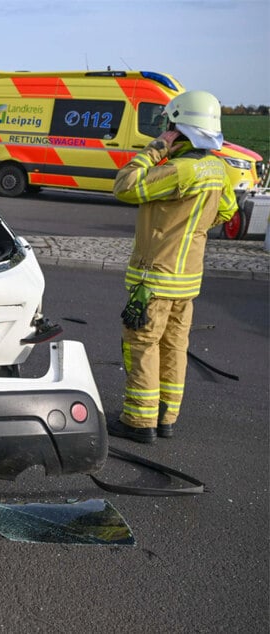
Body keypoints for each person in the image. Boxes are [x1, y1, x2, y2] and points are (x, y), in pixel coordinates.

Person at [108, 90, 238, 444]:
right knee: (174, 347)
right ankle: (166, 418)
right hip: (187, 282)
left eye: (169, 126)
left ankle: (138, 422)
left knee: (142, 346)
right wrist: (190, 227)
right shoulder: (217, 168)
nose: (165, 130)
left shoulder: (179, 170)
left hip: (154, 280)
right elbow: (227, 211)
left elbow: (125, 186)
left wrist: (154, 150)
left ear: (178, 128)